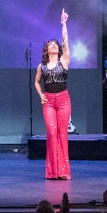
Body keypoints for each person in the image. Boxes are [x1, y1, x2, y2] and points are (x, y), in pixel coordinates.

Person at [34, 9, 71, 180]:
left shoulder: (64, 61)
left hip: (63, 100)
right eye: (51, 44)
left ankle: (63, 171)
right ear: (47, 49)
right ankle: (52, 171)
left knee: (62, 134)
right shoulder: (41, 66)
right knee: (51, 132)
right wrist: (40, 94)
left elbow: (65, 41)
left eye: (56, 44)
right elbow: (36, 82)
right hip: (48, 101)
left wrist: (63, 23)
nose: (54, 45)